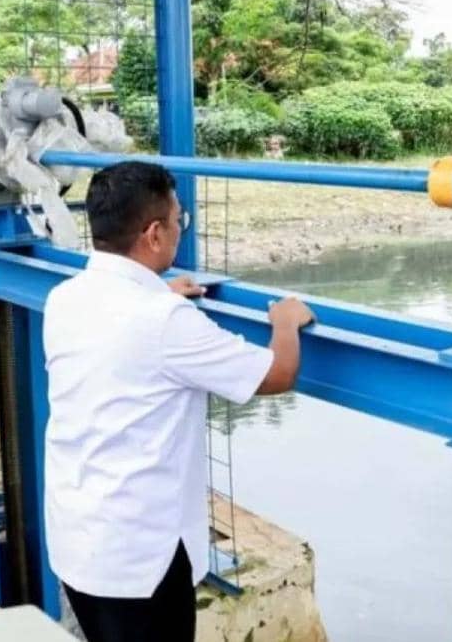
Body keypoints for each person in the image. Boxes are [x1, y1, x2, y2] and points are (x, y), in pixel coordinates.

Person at [42, 161, 314, 642]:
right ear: (152, 234)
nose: (178, 231)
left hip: (77, 541)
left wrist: (160, 291)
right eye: (177, 221)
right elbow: (276, 375)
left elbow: (128, 329)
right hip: (140, 563)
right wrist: (286, 322)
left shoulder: (66, 298)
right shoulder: (164, 321)